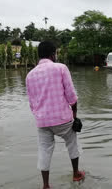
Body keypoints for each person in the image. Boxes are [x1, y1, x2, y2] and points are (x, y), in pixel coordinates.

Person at [25, 41, 85, 189]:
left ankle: (46, 185)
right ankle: (76, 173)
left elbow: (32, 103)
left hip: (42, 122)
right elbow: (71, 95)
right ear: (53, 54)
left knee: (44, 150)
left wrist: (40, 116)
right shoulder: (61, 68)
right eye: (56, 53)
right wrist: (75, 114)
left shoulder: (30, 75)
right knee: (72, 143)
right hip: (63, 119)